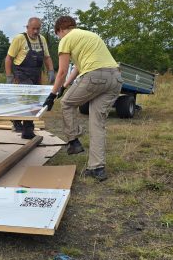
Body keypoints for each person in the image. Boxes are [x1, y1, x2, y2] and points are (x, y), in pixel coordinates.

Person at [43, 16, 123, 181]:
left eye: (58, 35)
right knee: (97, 124)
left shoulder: (66, 39)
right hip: (115, 78)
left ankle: (73, 142)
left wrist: (52, 95)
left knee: (66, 103)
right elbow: (78, 68)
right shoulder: (89, 36)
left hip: (95, 76)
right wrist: (64, 86)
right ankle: (97, 168)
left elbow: (62, 71)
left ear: (60, 30)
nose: (59, 37)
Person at [5, 17, 55, 139]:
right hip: (21, 73)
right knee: (28, 98)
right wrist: (9, 76)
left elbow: (47, 57)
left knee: (34, 101)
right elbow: (9, 58)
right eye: (33, 29)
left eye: (38, 29)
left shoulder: (42, 39)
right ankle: (26, 128)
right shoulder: (19, 39)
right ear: (27, 27)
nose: (36, 31)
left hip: (36, 74)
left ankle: (18, 121)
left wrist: (51, 71)